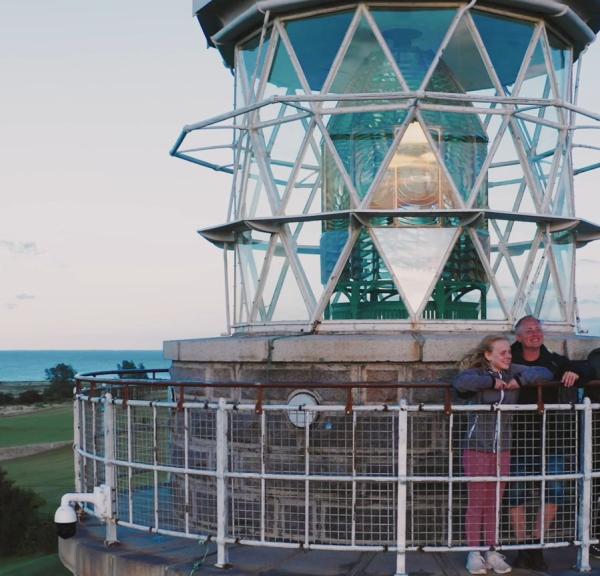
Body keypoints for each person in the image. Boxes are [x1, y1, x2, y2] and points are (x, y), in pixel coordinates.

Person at [453, 335, 552, 575]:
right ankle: (474, 553)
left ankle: (492, 551)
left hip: (503, 448)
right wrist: (489, 381)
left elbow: (545, 372)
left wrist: (519, 379)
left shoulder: (512, 371)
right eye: (502, 353)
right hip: (476, 447)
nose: (509, 356)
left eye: (509, 352)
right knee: (477, 501)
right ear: (488, 355)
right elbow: (461, 382)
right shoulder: (477, 373)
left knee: (495, 502)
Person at [509, 315, 595, 570]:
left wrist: (574, 371)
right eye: (529, 330)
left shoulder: (554, 361)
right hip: (517, 437)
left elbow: (588, 369)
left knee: (554, 491)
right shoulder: (508, 359)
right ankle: (522, 546)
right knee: (516, 494)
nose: (535, 333)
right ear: (519, 336)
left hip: (552, 438)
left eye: (538, 329)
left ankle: (538, 544)